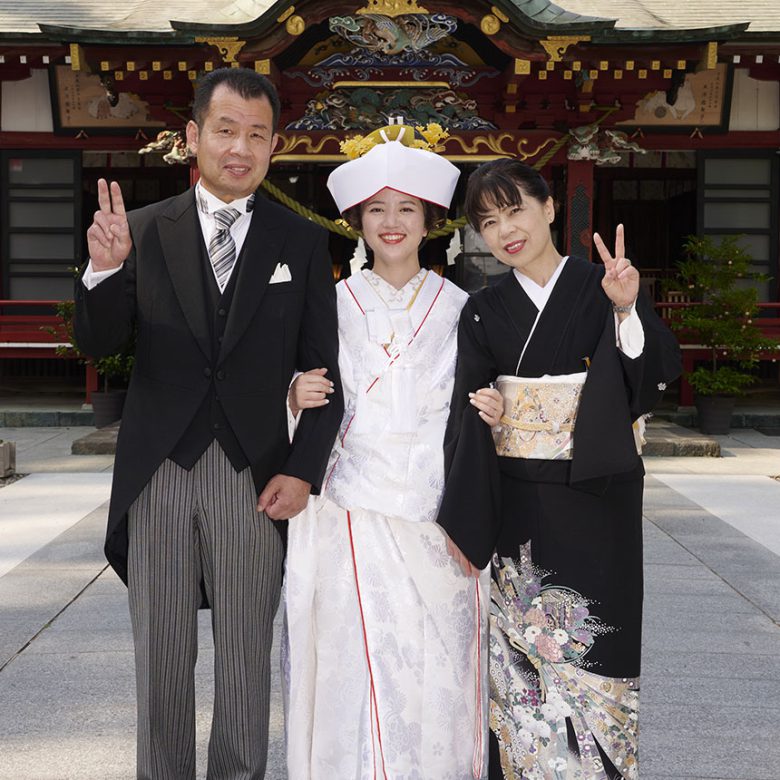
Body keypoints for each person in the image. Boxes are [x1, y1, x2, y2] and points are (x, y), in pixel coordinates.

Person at [74, 68, 343, 779]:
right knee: (160, 653)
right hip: (159, 472)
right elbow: (98, 344)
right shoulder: (139, 231)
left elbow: (327, 375)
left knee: (247, 655)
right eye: (225, 130)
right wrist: (102, 274)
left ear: (275, 145)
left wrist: (302, 470)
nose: (240, 147)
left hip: (254, 477)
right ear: (193, 136)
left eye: (257, 134)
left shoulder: (303, 241)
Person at [437, 159, 682, 779]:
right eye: (488, 222)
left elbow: (648, 384)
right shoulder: (483, 310)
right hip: (519, 508)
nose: (505, 231)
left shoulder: (604, 287)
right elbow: (467, 410)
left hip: (598, 501)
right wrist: (486, 409)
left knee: (600, 649)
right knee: (521, 675)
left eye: (515, 210)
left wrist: (628, 312)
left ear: (550, 209)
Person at [282, 125, 502, 779]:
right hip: (350, 512)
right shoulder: (329, 304)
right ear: (357, 222)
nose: (392, 222)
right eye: (376, 209)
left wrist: (497, 408)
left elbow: (482, 410)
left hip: (439, 512)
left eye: (407, 208)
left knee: (439, 662)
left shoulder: (464, 308)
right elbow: (292, 389)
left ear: (431, 219)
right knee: (352, 659)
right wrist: (292, 393)